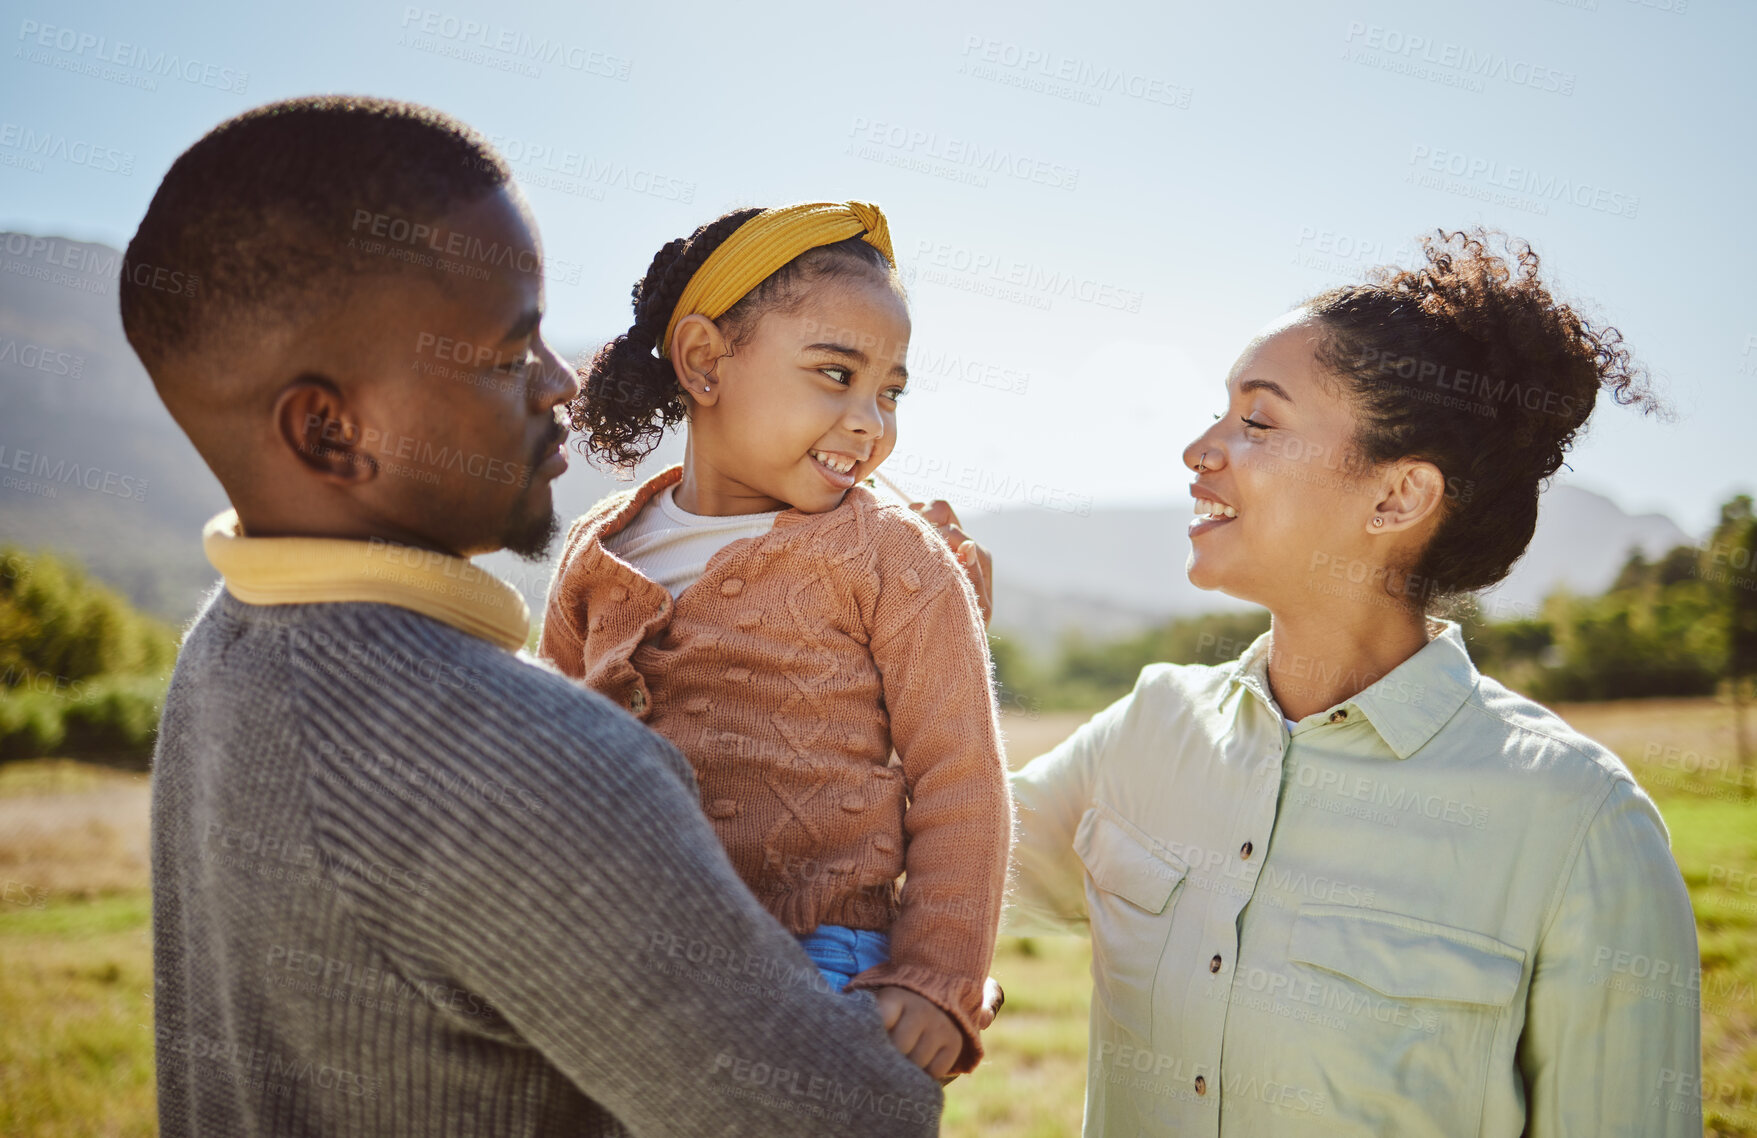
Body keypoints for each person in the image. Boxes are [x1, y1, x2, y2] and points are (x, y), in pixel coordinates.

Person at [125, 95, 952, 1136]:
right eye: (511, 353)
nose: (562, 382)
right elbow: (851, 1120)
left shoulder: (223, 650)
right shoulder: (535, 767)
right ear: (329, 430)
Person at [1002, 230, 1702, 1135]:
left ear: (1396, 498)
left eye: (1257, 421)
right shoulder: (1149, 726)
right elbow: (902, 870)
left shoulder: (1578, 822)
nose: (1198, 450)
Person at [539, 203, 1013, 1080]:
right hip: (617, 957)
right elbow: (554, 755)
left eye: (891, 391)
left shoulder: (892, 556)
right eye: (836, 374)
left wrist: (937, 976)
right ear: (704, 361)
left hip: (825, 966)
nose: (871, 420)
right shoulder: (600, 548)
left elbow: (961, 776)